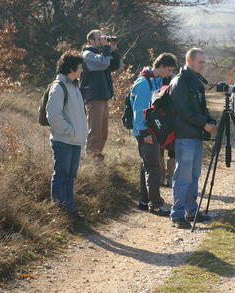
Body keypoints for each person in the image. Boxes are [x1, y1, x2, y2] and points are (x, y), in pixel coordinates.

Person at [169, 48, 217, 229]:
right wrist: (203, 125)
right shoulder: (180, 82)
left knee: (194, 175)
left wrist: (210, 121)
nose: (203, 66)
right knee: (183, 176)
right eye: (200, 62)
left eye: (204, 62)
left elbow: (201, 109)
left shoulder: (195, 81)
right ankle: (177, 215)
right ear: (189, 60)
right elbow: (184, 112)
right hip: (184, 136)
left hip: (195, 135)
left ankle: (191, 210)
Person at [131, 53, 177, 216]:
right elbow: (139, 111)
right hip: (146, 132)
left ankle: (144, 201)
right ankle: (155, 205)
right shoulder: (144, 83)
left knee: (147, 166)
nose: (170, 73)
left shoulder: (155, 81)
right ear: (161, 66)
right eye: (169, 70)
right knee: (154, 167)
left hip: (152, 131)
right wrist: (144, 133)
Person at [46, 50, 87, 220]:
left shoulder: (74, 85)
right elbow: (53, 115)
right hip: (63, 140)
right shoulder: (59, 86)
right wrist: (69, 130)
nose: (82, 70)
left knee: (69, 177)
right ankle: (59, 212)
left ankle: (70, 210)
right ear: (71, 68)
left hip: (74, 140)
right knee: (61, 175)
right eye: (80, 66)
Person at [80, 29, 123, 161]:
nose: (102, 40)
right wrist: (106, 48)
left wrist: (113, 49)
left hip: (103, 97)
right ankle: (92, 160)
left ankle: (97, 158)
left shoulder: (102, 54)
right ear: (90, 41)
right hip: (94, 97)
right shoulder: (87, 55)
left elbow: (118, 65)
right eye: (99, 38)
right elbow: (104, 63)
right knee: (95, 132)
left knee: (103, 133)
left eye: (103, 38)